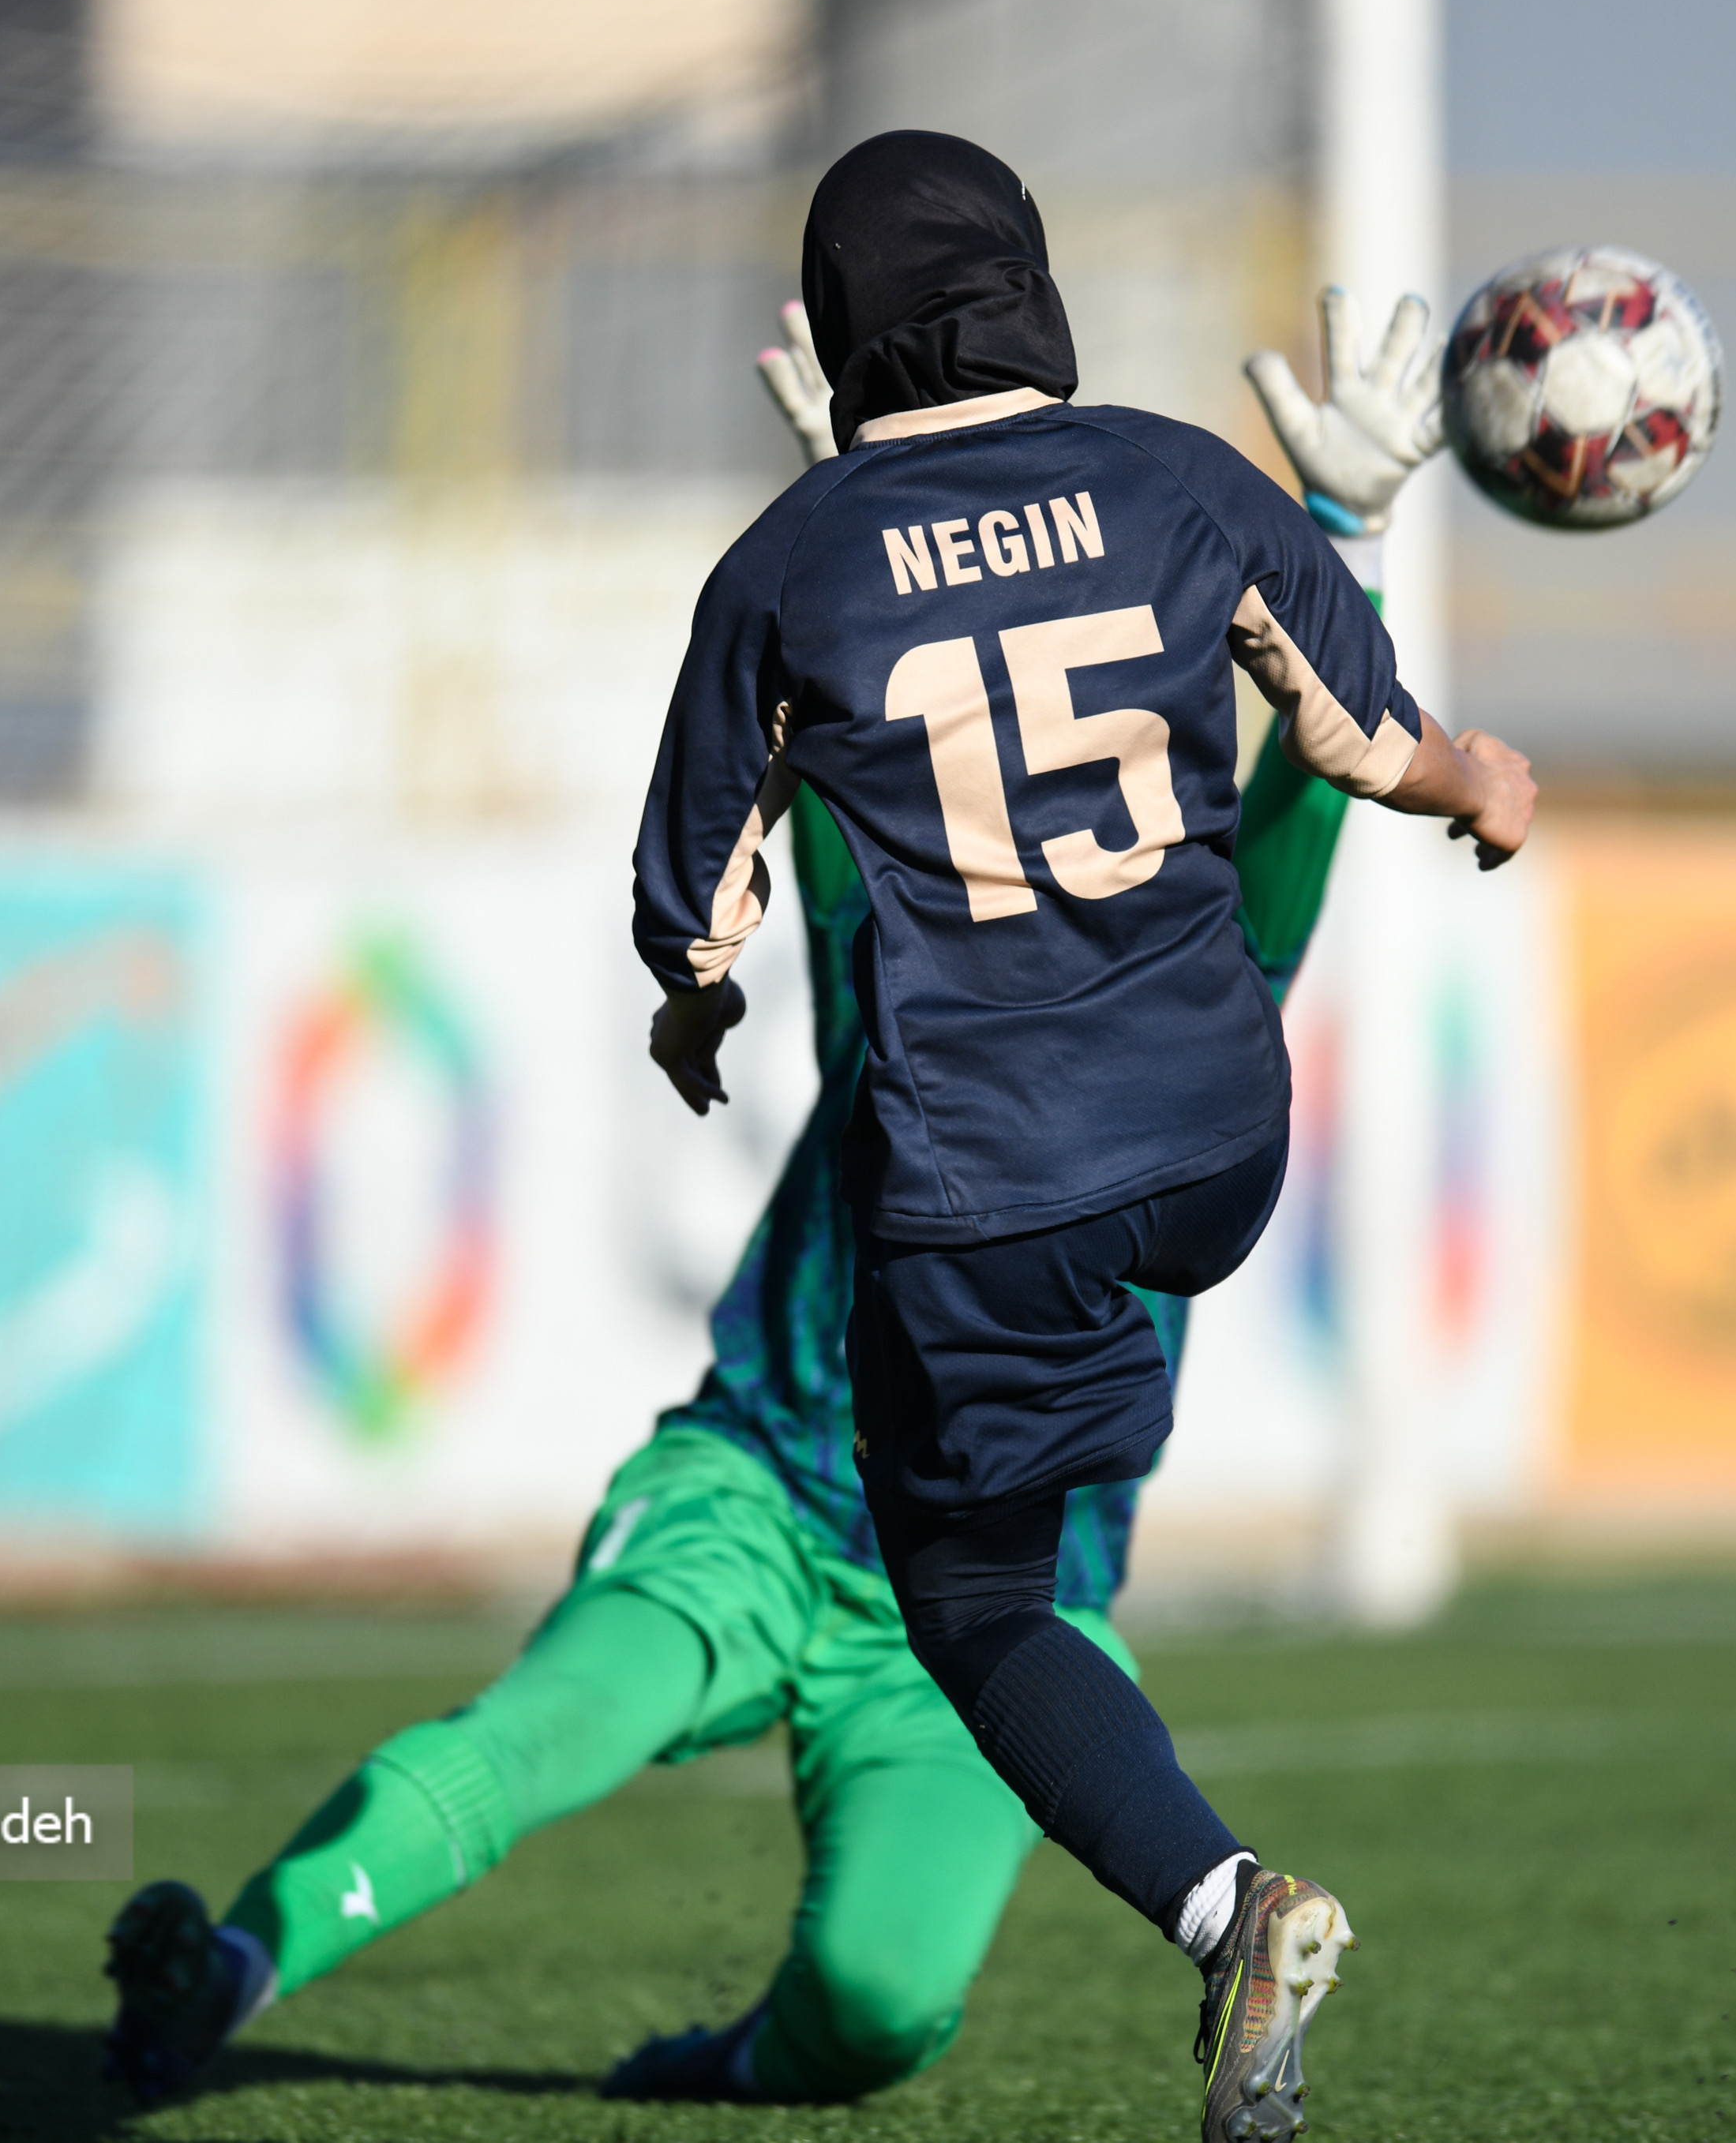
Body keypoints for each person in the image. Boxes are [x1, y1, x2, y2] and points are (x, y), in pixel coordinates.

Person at [98, 162, 1466, 2124]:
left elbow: (1283, 817)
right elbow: (925, 769)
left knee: (879, 2006)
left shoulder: (1194, 971)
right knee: (542, 1733)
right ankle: (224, 1972)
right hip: (764, 1482)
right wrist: (909, 548)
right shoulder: (978, 966)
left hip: (994, 1590)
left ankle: (730, 2063)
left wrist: (1322, 531)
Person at [632, 132, 1534, 2143]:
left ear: (845, 332)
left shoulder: (784, 563)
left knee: (969, 1609)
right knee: (1048, 1420)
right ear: (1032, 289)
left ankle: (1229, 1911)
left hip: (990, 1189)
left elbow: (693, 902)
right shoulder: (1174, 477)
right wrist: (1484, 786)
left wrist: (692, 1017)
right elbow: (1362, 742)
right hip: (1218, 1143)